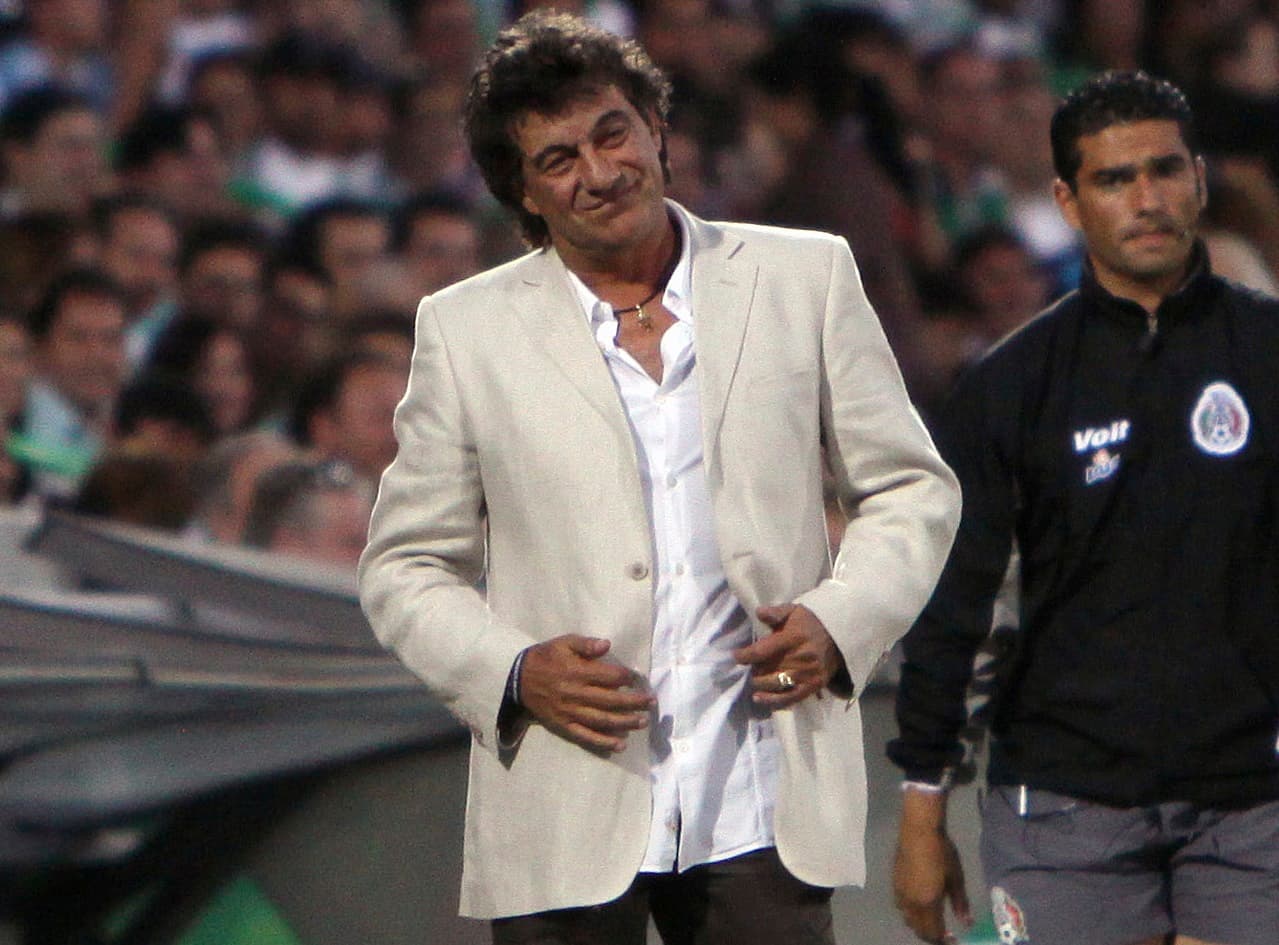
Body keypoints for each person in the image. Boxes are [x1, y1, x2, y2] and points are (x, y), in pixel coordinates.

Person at [359, 12, 960, 944]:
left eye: (612, 133)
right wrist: (512, 672)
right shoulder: (464, 330)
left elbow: (912, 487)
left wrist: (841, 620)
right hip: (567, 798)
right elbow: (402, 566)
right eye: (557, 159)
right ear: (522, 193)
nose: (598, 172)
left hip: (764, 796)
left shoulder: (803, 277)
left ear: (656, 129)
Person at [889, 70, 1279, 945]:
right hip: (1064, 808)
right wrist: (922, 810)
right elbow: (957, 609)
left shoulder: (1267, 354)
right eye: (1113, 179)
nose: (1145, 198)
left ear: (1200, 179)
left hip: (1253, 800)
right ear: (1067, 201)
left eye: (1164, 170)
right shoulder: (1010, 387)